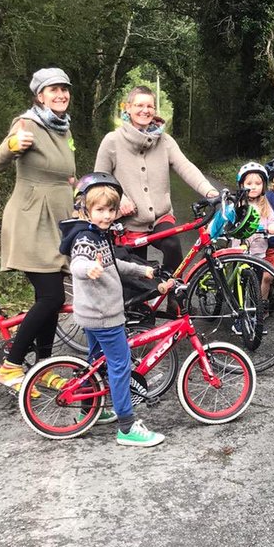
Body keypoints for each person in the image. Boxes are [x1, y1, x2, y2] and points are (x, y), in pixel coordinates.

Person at [59, 172, 172, 447]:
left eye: (111, 209)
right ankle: (127, 425)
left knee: (95, 363)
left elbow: (115, 265)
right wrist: (89, 268)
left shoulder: (100, 235)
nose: (107, 215)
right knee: (119, 366)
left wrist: (142, 270)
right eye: (100, 210)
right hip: (103, 315)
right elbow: (77, 265)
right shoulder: (86, 238)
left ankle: (90, 409)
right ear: (85, 209)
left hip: (93, 313)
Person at [0, 67, 76, 391]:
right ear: (40, 95)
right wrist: (11, 145)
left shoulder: (63, 128)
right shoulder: (27, 124)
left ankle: (44, 368)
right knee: (51, 297)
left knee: (47, 299)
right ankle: (11, 365)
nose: (61, 94)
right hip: (30, 221)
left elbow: (65, 175)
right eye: (53, 90)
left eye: (64, 89)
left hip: (57, 221)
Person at [94, 86, 219, 273]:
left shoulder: (165, 141)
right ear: (128, 107)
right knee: (135, 277)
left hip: (161, 216)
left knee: (173, 247)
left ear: (154, 110)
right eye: (139, 105)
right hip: (130, 222)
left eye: (150, 106)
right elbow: (100, 179)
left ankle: (172, 293)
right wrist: (120, 199)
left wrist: (209, 190)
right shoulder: (112, 140)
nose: (145, 110)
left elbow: (185, 166)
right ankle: (143, 301)